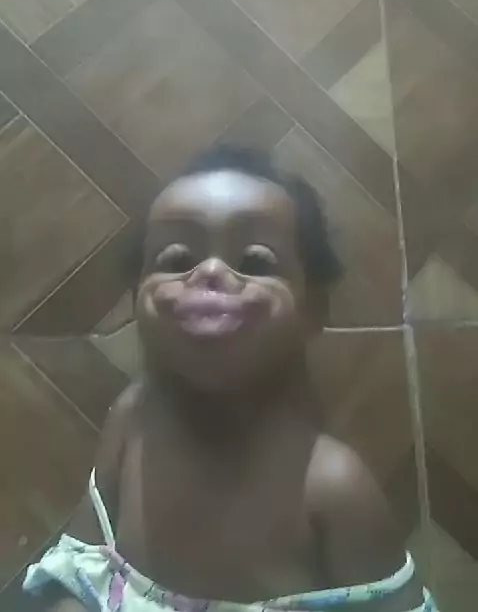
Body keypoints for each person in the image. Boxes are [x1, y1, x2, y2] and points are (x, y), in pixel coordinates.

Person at [24, 145, 436, 611]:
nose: (211, 271)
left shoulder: (332, 488)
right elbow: (79, 563)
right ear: (137, 297)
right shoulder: (132, 418)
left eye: (256, 262)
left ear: (313, 309)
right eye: (176, 258)